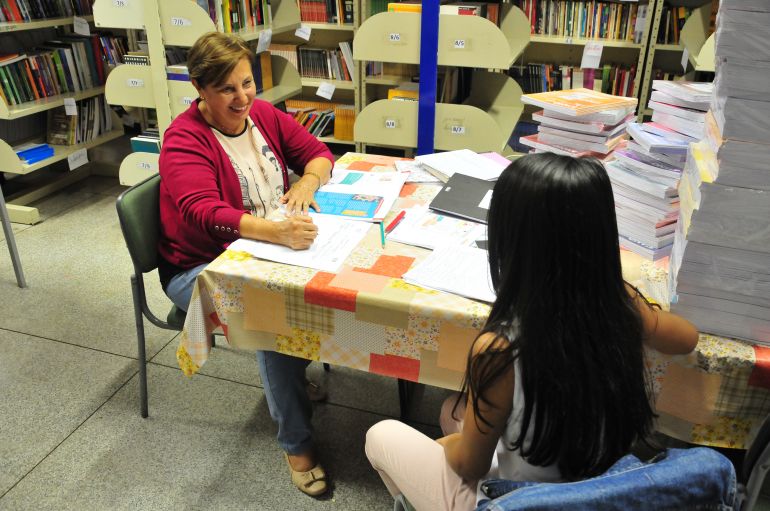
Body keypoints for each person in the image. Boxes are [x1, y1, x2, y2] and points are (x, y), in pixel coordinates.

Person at [365, 153, 700, 510]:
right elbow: (687, 338)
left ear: (510, 238)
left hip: (532, 501)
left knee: (381, 435)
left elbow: (470, 465)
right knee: (452, 409)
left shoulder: (500, 348)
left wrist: (450, 446)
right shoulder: (621, 304)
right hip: (602, 486)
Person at [157, 32, 334, 497]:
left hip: (260, 245)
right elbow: (204, 211)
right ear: (200, 89)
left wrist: (306, 187)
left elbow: (318, 154)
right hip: (199, 264)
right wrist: (275, 230)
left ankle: (291, 380)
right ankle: (297, 444)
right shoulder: (183, 139)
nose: (243, 98)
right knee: (270, 315)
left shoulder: (264, 115)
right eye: (228, 90)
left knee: (325, 279)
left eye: (248, 83)